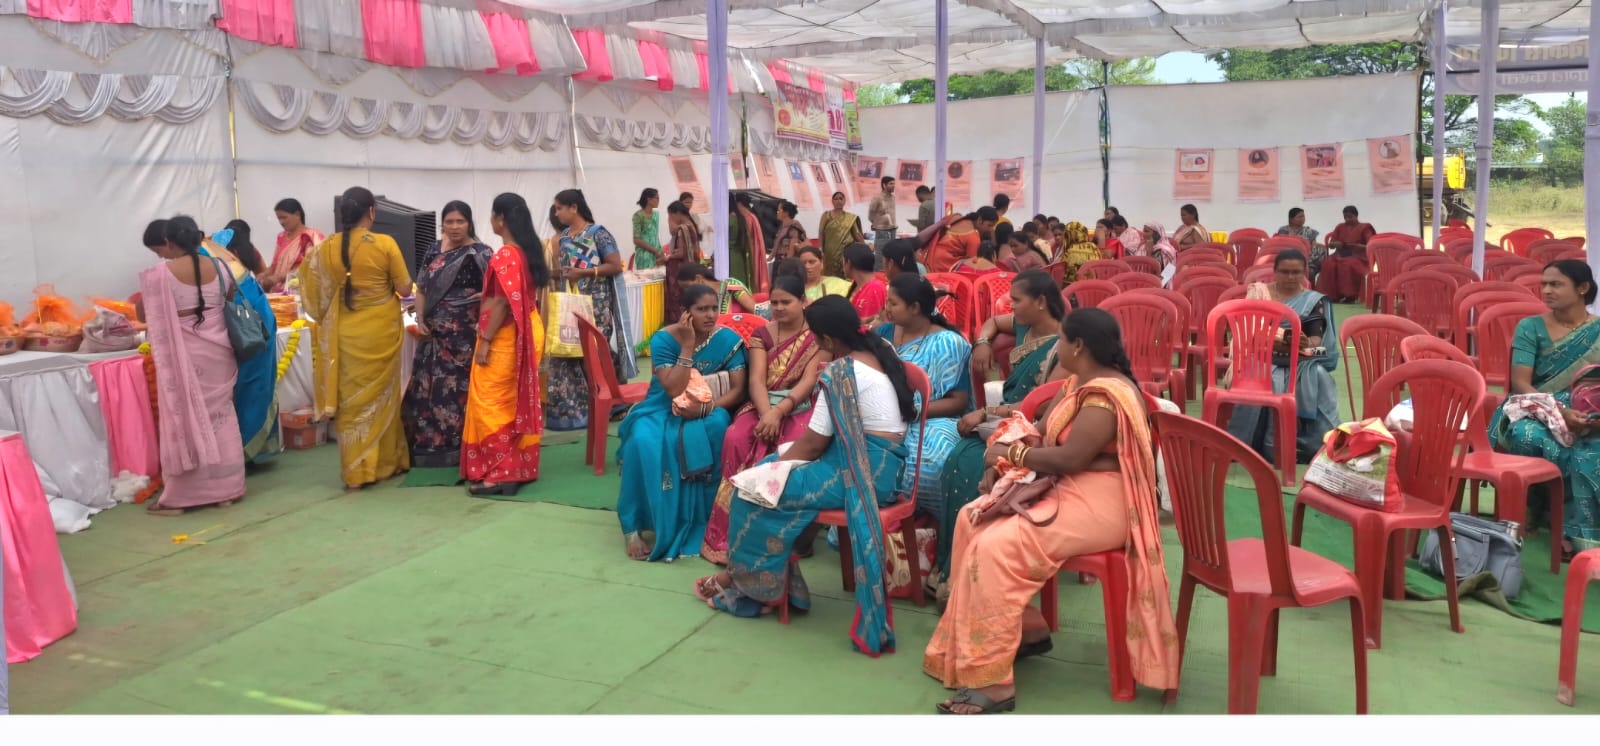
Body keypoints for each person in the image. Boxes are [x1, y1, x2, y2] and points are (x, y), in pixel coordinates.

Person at [923, 307, 1179, 714]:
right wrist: (1006, 467)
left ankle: (993, 684)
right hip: (1071, 483)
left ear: (1078, 345)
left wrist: (1012, 454)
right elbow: (1043, 428)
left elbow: (1072, 457)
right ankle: (1028, 631)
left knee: (997, 548)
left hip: (1105, 502)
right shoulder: (1080, 381)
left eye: (1061, 341)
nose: (1057, 348)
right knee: (972, 518)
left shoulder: (1106, 395)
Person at [693, 296, 909, 659]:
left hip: (856, 473)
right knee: (774, 481)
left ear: (826, 338)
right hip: (883, 468)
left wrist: (770, 471)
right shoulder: (879, 348)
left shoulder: (840, 374)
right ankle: (775, 586)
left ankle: (751, 590)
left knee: (752, 491)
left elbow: (810, 446)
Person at [933, 270, 1066, 593]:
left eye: (1017, 300)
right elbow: (993, 322)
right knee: (956, 459)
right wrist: (982, 343)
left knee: (975, 463)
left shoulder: (1064, 347)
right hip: (1002, 424)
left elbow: (1041, 405)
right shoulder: (1025, 325)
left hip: (1031, 430)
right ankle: (951, 562)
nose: (1011, 305)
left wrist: (986, 412)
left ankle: (973, 570)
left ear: (1041, 302)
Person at [616, 284, 748, 561]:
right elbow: (673, 390)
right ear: (685, 313)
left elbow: (738, 390)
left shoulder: (727, 340)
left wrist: (705, 409)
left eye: (714, 308)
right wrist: (687, 345)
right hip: (660, 406)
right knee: (642, 439)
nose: (710, 315)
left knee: (717, 425)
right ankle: (634, 526)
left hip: (710, 406)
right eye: (702, 309)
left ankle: (707, 520)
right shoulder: (664, 339)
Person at [701, 274, 821, 564]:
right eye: (774, 302)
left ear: (803, 301)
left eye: (786, 302)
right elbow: (756, 380)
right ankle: (730, 535)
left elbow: (808, 380)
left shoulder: (818, 334)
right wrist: (767, 413)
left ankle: (786, 536)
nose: (779, 308)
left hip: (801, 406)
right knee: (736, 437)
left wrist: (779, 414)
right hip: (762, 403)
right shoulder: (762, 334)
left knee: (792, 445)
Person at [299, 186, 412, 490]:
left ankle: (357, 473)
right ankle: (388, 463)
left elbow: (311, 295)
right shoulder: (385, 243)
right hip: (381, 333)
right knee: (384, 399)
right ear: (372, 212)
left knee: (352, 405)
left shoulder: (325, 248)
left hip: (345, 336)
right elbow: (404, 289)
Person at [138, 216, 247, 514]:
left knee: (185, 420)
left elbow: (144, 312)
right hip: (220, 354)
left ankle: (186, 495)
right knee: (222, 418)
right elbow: (230, 298)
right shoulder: (223, 267)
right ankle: (227, 489)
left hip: (185, 356)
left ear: (170, 242)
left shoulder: (160, 274)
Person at [1491, 260, 1600, 556]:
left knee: (1589, 448)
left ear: (1583, 288)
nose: (1547, 290)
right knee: (1528, 437)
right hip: (1535, 406)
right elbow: (1520, 384)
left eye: (1556, 284)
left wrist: (1591, 418)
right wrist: (1559, 412)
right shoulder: (1531, 327)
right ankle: (1537, 508)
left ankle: (1579, 529)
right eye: (1544, 284)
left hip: (1589, 410)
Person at [459, 193, 550, 496]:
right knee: (516, 399)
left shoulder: (506, 255)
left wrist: (484, 341)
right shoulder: (528, 250)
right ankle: (518, 467)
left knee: (491, 401)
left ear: (500, 219)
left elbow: (500, 304)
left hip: (508, 335)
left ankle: (500, 472)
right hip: (529, 328)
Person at [1226, 249, 1339, 464]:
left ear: (1304, 273)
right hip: (1260, 356)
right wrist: (1276, 342)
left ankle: (1311, 446)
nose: (1290, 277)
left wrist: (1296, 344)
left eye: (1296, 272)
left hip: (1302, 358)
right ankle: (1250, 445)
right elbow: (1248, 335)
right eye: (1285, 272)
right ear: (1275, 272)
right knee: (1261, 378)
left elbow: (1317, 343)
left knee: (1321, 377)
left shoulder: (1313, 301)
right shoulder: (1259, 294)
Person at [402, 201, 491, 469]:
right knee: (427, 386)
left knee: (455, 388)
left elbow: (496, 292)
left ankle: (460, 448)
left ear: (469, 223)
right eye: (449, 222)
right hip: (432, 332)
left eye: (460, 222)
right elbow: (421, 288)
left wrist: (481, 297)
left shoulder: (481, 253)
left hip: (462, 337)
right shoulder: (432, 249)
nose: (454, 227)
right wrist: (419, 317)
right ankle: (428, 448)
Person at [878, 274, 972, 510]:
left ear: (915, 308)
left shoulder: (948, 342)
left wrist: (911, 411)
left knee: (931, 461)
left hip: (932, 418)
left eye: (893, 303)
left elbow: (958, 401)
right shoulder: (884, 334)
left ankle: (929, 519)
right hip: (882, 416)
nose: (886, 307)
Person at [546, 189, 635, 432]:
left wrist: (585, 273)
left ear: (573, 208)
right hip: (572, 304)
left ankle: (608, 402)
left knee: (594, 353)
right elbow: (567, 269)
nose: (556, 213)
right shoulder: (564, 236)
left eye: (559, 208)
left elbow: (615, 265)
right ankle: (582, 408)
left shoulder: (598, 233)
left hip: (596, 303)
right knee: (573, 353)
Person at [206, 221, 280, 464]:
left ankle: (246, 452)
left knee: (251, 384)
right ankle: (250, 451)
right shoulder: (213, 247)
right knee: (252, 383)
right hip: (254, 317)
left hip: (248, 323)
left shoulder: (205, 254)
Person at [263, 198, 325, 292]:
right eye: (279, 218)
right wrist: (263, 275)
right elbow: (274, 265)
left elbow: (311, 268)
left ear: (297, 215)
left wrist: (278, 278)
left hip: (302, 292)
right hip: (278, 294)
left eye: (284, 217)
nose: (281, 222)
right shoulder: (281, 237)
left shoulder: (311, 236)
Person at [1317, 205, 1376, 303]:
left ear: (1356, 216)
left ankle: (1350, 296)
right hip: (1340, 254)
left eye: (1350, 217)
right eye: (1345, 217)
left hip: (1359, 256)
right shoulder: (1340, 227)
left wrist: (1357, 246)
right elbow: (1331, 244)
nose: (1347, 219)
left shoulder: (1365, 227)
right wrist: (1337, 244)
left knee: (1348, 265)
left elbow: (1371, 245)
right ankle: (1331, 296)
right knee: (1328, 263)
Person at [926, 207, 998, 273]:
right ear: (979, 220)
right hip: (944, 265)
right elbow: (973, 263)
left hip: (930, 257)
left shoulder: (957, 218)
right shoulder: (973, 237)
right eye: (989, 225)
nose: (991, 229)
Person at [664, 200, 702, 321]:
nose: (670, 218)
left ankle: (678, 323)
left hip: (680, 270)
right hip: (691, 268)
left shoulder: (683, 229)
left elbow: (681, 253)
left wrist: (669, 257)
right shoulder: (692, 226)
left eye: (671, 215)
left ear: (678, 213)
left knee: (677, 299)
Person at [726, 193, 770, 292]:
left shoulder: (742, 218)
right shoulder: (749, 216)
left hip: (742, 252)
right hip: (747, 251)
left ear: (740, 204)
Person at [819, 190, 865, 278]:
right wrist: (820, 248)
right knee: (829, 274)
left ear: (844, 201)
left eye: (841, 198)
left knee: (844, 272)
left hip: (844, 251)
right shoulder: (826, 215)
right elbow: (821, 233)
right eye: (836, 199)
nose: (838, 201)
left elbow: (857, 234)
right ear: (832, 201)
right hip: (829, 252)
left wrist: (865, 247)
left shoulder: (850, 218)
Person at [680, 263, 755, 315]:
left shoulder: (730, 285)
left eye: (686, 287)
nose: (686, 291)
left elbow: (755, 310)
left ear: (698, 279)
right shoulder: (697, 300)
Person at [844, 242, 887, 322]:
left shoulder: (875, 288)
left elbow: (871, 325)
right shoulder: (857, 284)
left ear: (848, 263)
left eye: (843, 262)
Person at [1277, 207, 1322, 278]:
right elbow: (1280, 244)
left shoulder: (1309, 231)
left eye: (1303, 216)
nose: (1303, 219)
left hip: (1305, 258)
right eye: (1300, 216)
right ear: (1291, 219)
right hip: (1287, 257)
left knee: (1311, 271)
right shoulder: (1283, 230)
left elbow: (1314, 246)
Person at [631, 188, 664, 270]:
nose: (658, 200)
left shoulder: (656, 215)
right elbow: (636, 240)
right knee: (647, 279)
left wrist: (660, 250)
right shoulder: (638, 216)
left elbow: (655, 235)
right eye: (657, 198)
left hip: (657, 254)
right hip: (644, 254)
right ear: (649, 199)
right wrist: (654, 250)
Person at [869, 175, 898, 257]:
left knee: (891, 254)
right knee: (881, 254)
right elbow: (871, 215)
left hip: (892, 230)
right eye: (891, 184)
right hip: (882, 231)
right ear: (884, 185)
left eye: (894, 184)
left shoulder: (893, 198)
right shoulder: (877, 198)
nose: (893, 186)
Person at [772, 199, 806, 268]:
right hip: (779, 260)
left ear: (786, 213)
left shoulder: (794, 226)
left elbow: (792, 249)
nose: (777, 212)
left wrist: (786, 265)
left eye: (779, 210)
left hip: (787, 262)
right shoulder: (782, 227)